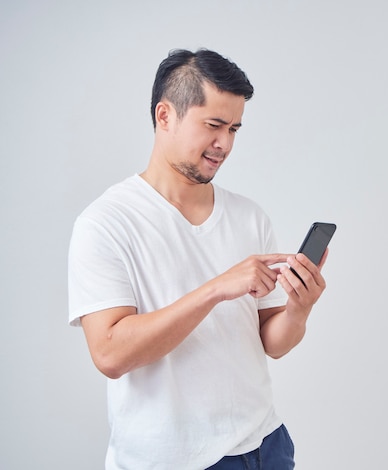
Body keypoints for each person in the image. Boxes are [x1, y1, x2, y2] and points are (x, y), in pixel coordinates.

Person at [68, 48, 328, 470]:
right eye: (213, 125)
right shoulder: (106, 223)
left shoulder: (249, 216)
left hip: (266, 445)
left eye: (234, 129)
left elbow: (272, 344)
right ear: (165, 116)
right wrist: (215, 289)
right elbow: (110, 355)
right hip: (172, 460)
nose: (224, 143)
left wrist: (300, 308)